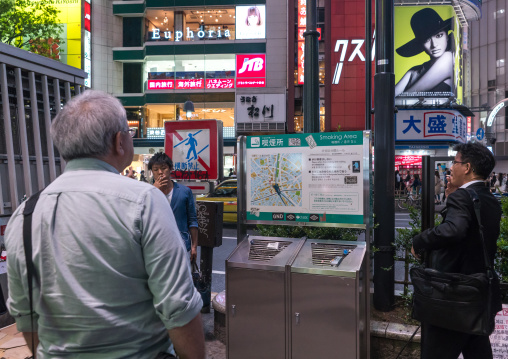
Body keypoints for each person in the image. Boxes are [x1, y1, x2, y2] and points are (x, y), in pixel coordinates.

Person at [4, 90, 205, 358]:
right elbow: (179, 307)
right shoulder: (144, 200)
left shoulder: (24, 215)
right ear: (119, 141)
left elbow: (26, 317)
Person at [411, 142, 502, 359]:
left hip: (452, 295)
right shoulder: (490, 200)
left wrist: (420, 240)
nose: (451, 167)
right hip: (477, 291)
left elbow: (454, 230)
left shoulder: (463, 196)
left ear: (468, 167)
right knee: (477, 351)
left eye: (455, 162)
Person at [148, 152, 199, 262]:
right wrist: (154, 191)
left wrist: (194, 247)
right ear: (152, 172)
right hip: (156, 246)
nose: (160, 172)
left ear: (170, 169)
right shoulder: (147, 192)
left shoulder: (185, 192)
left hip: (181, 245)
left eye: (164, 168)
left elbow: (192, 220)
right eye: (156, 169)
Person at [395, 8, 454, 97]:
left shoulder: (448, 58)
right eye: (427, 40)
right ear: (421, 45)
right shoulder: (413, 71)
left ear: (447, 36)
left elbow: (402, 98)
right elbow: (388, 102)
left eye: (439, 35)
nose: (434, 45)